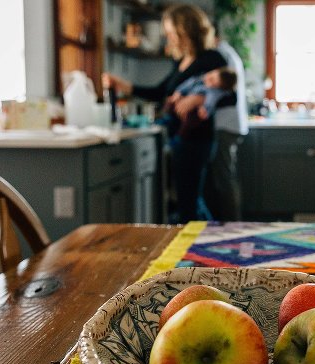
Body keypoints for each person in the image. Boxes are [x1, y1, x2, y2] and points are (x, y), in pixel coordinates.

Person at [102, 4, 227, 223]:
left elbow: (230, 96)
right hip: (180, 139)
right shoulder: (180, 62)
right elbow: (160, 92)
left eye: (171, 32)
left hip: (197, 140)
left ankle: (204, 247)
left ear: (186, 30)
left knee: (189, 203)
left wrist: (199, 98)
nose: (168, 37)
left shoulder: (213, 59)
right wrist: (121, 84)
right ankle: (213, 241)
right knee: (190, 201)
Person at [171, 34, 248, 220]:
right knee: (221, 179)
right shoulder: (229, 54)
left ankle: (232, 226)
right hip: (231, 125)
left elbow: (227, 92)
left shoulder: (220, 56)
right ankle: (226, 224)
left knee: (224, 179)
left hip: (225, 125)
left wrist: (197, 99)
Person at [162, 67, 237, 139]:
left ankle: (179, 136)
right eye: (211, 76)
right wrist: (178, 93)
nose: (208, 79)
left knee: (193, 119)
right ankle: (166, 119)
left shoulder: (212, 91)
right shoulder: (197, 79)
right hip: (180, 100)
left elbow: (211, 100)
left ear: (218, 87)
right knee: (169, 102)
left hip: (194, 114)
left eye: (213, 82)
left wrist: (205, 109)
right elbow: (186, 85)